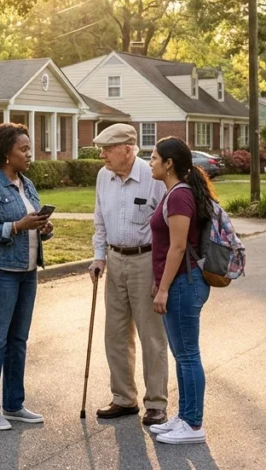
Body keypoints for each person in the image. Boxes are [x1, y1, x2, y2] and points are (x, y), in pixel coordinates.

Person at [0, 122, 54, 431]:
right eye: (24, 149)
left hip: (26, 271)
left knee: (18, 340)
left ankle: (14, 405)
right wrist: (17, 227)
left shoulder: (26, 183)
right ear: (7, 154)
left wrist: (44, 228)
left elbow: (33, 224)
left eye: (29, 148)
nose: (29, 154)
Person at [87, 124, 169, 426]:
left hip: (145, 259)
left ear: (128, 149)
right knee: (116, 334)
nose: (102, 154)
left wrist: (160, 273)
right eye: (102, 149)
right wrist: (98, 257)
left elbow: (166, 227)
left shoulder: (153, 176)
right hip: (115, 258)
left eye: (108, 149)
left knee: (151, 335)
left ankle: (156, 403)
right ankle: (124, 398)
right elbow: (99, 219)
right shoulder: (103, 176)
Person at [148, 136, 214, 445]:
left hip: (183, 284)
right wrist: (158, 281)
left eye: (154, 157)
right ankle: (185, 416)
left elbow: (176, 247)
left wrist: (162, 289)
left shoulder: (178, 197)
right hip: (179, 282)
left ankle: (194, 424)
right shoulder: (173, 193)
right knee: (181, 355)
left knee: (188, 355)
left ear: (169, 163)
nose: (150, 162)